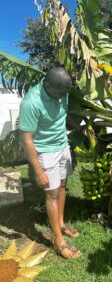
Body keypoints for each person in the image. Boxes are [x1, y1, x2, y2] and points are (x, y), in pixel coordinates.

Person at [19, 67, 81, 259]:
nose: (63, 96)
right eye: (60, 93)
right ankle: (58, 241)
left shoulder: (62, 91)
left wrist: (79, 128)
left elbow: (62, 115)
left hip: (62, 145)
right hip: (45, 151)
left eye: (66, 93)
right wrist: (38, 171)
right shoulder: (31, 102)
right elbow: (26, 138)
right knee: (52, 194)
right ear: (47, 85)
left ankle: (61, 224)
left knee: (62, 185)